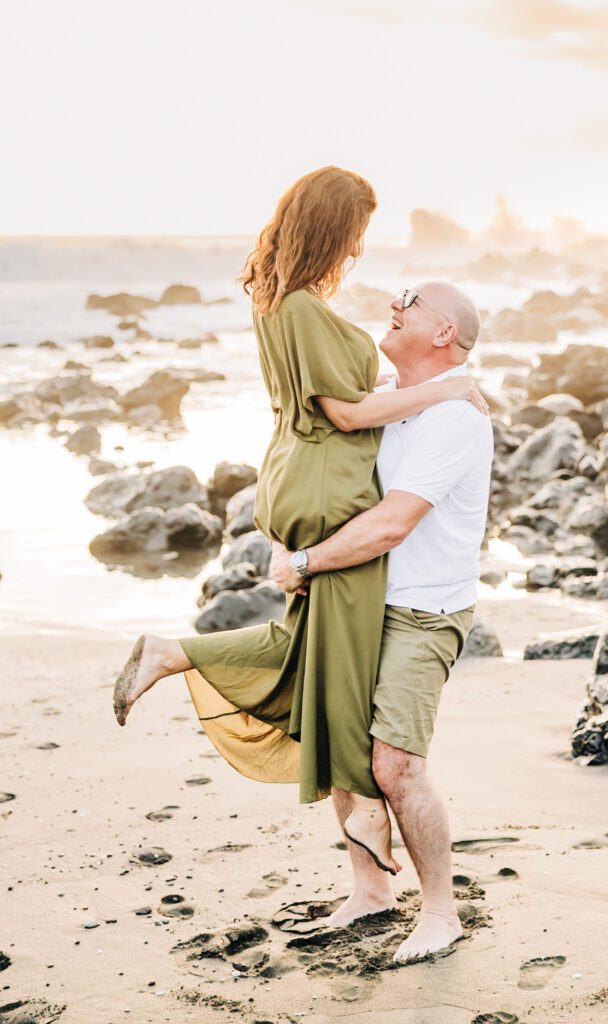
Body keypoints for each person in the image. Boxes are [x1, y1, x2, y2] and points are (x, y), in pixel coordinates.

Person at [112, 166, 488, 877]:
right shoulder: (306, 310)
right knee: (331, 666)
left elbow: (340, 404)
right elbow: (344, 414)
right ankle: (367, 813)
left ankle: (178, 656)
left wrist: (423, 391)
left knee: (313, 656)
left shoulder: (276, 300)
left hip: (297, 474)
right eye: (357, 232)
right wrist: (447, 389)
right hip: (323, 485)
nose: (359, 250)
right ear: (333, 226)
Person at [269, 280, 494, 961]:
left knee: (395, 766)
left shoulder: (454, 419)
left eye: (412, 300)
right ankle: (370, 892)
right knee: (343, 747)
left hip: (423, 609)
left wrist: (305, 562)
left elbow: (393, 523)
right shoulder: (386, 402)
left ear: (444, 334)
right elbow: (314, 456)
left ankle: (441, 912)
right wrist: (282, 534)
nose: (395, 305)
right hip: (357, 598)